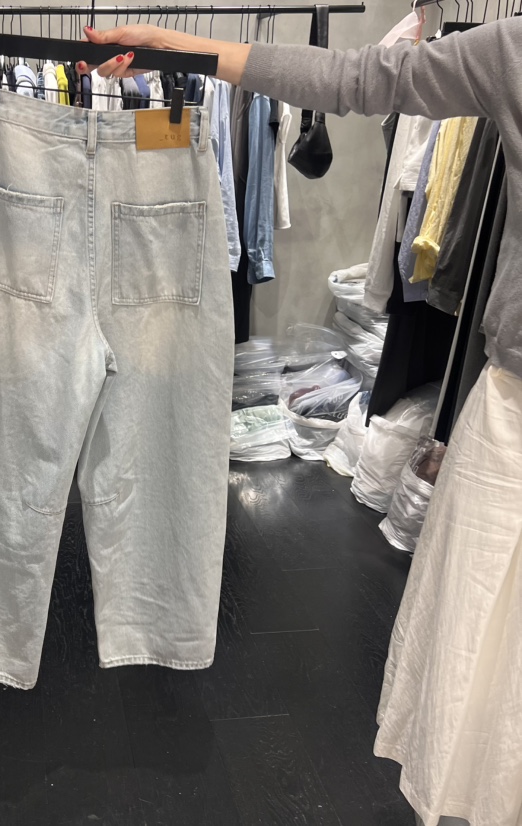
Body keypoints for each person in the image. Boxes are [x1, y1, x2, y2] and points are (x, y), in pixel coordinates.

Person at [80, 19, 522, 826]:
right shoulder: (516, 51)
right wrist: (186, 50)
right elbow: (361, 78)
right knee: (483, 689)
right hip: (517, 420)